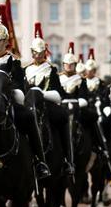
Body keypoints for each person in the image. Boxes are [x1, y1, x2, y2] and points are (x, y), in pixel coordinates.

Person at [0, 21, 52, 179]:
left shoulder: (14, 61)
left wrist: (10, 95)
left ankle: (39, 161)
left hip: (7, 103)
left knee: (29, 118)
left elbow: (20, 86)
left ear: (6, 42)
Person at [23, 24, 74, 175]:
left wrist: (42, 94)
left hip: (46, 105)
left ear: (44, 52)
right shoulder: (25, 69)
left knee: (64, 118)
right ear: (32, 52)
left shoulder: (51, 70)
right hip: (29, 105)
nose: (38, 55)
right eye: (35, 52)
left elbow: (59, 95)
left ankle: (67, 160)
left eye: (40, 52)